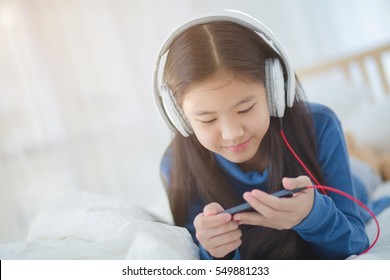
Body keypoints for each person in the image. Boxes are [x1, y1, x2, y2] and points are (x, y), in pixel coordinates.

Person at [153, 10, 372, 260]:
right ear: (180, 118)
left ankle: (364, 156)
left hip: (359, 180)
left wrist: (313, 216)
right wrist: (214, 251)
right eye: (208, 119)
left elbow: (355, 243)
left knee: (366, 173)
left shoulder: (320, 125)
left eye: (245, 109)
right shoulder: (177, 164)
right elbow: (201, 258)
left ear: (274, 91)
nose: (232, 134)